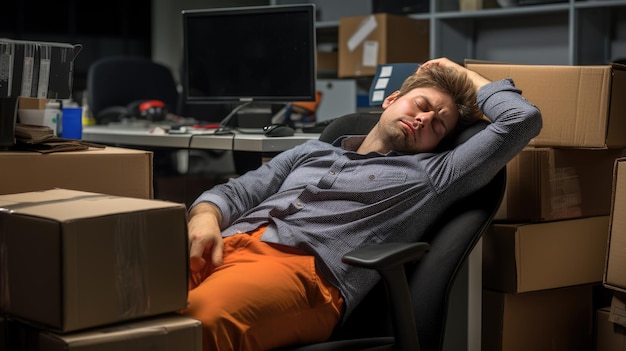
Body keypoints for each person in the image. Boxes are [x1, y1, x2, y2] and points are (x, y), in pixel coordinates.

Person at [179, 57, 542, 351]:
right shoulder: (312, 150)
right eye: (423, 105)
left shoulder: (433, 175)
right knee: (136, 311)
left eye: (439, 125)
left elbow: (521, 120)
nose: (425, 119)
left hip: (302, 274)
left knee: (196, 326)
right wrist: (206, 217)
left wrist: (457, 72)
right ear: (391, 99)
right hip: (224, 244)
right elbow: (237, 192)